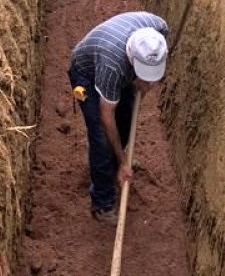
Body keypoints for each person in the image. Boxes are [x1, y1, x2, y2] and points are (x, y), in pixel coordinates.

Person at [67, 12, 169, 225]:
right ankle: (102, 203)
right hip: (87, 73)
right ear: (132, 59)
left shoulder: (159, 29)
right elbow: (107, 115)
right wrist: (124, 160)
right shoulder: (112, 66)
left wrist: (146, 81)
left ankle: (114, 163)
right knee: (102, 138)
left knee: (126, 116)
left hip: (118, 66)